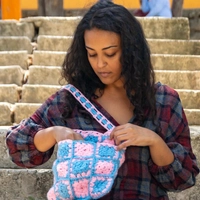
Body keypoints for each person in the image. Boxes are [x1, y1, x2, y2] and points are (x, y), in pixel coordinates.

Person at [6, 0, 199, 199]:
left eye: (110, 53)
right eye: (92, 54)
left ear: (131, 50)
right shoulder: (71, 100)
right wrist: (54, 133)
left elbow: (184, 177)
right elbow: (17, 145)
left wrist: (153, 140)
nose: (100, 64)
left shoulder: (164, 102)